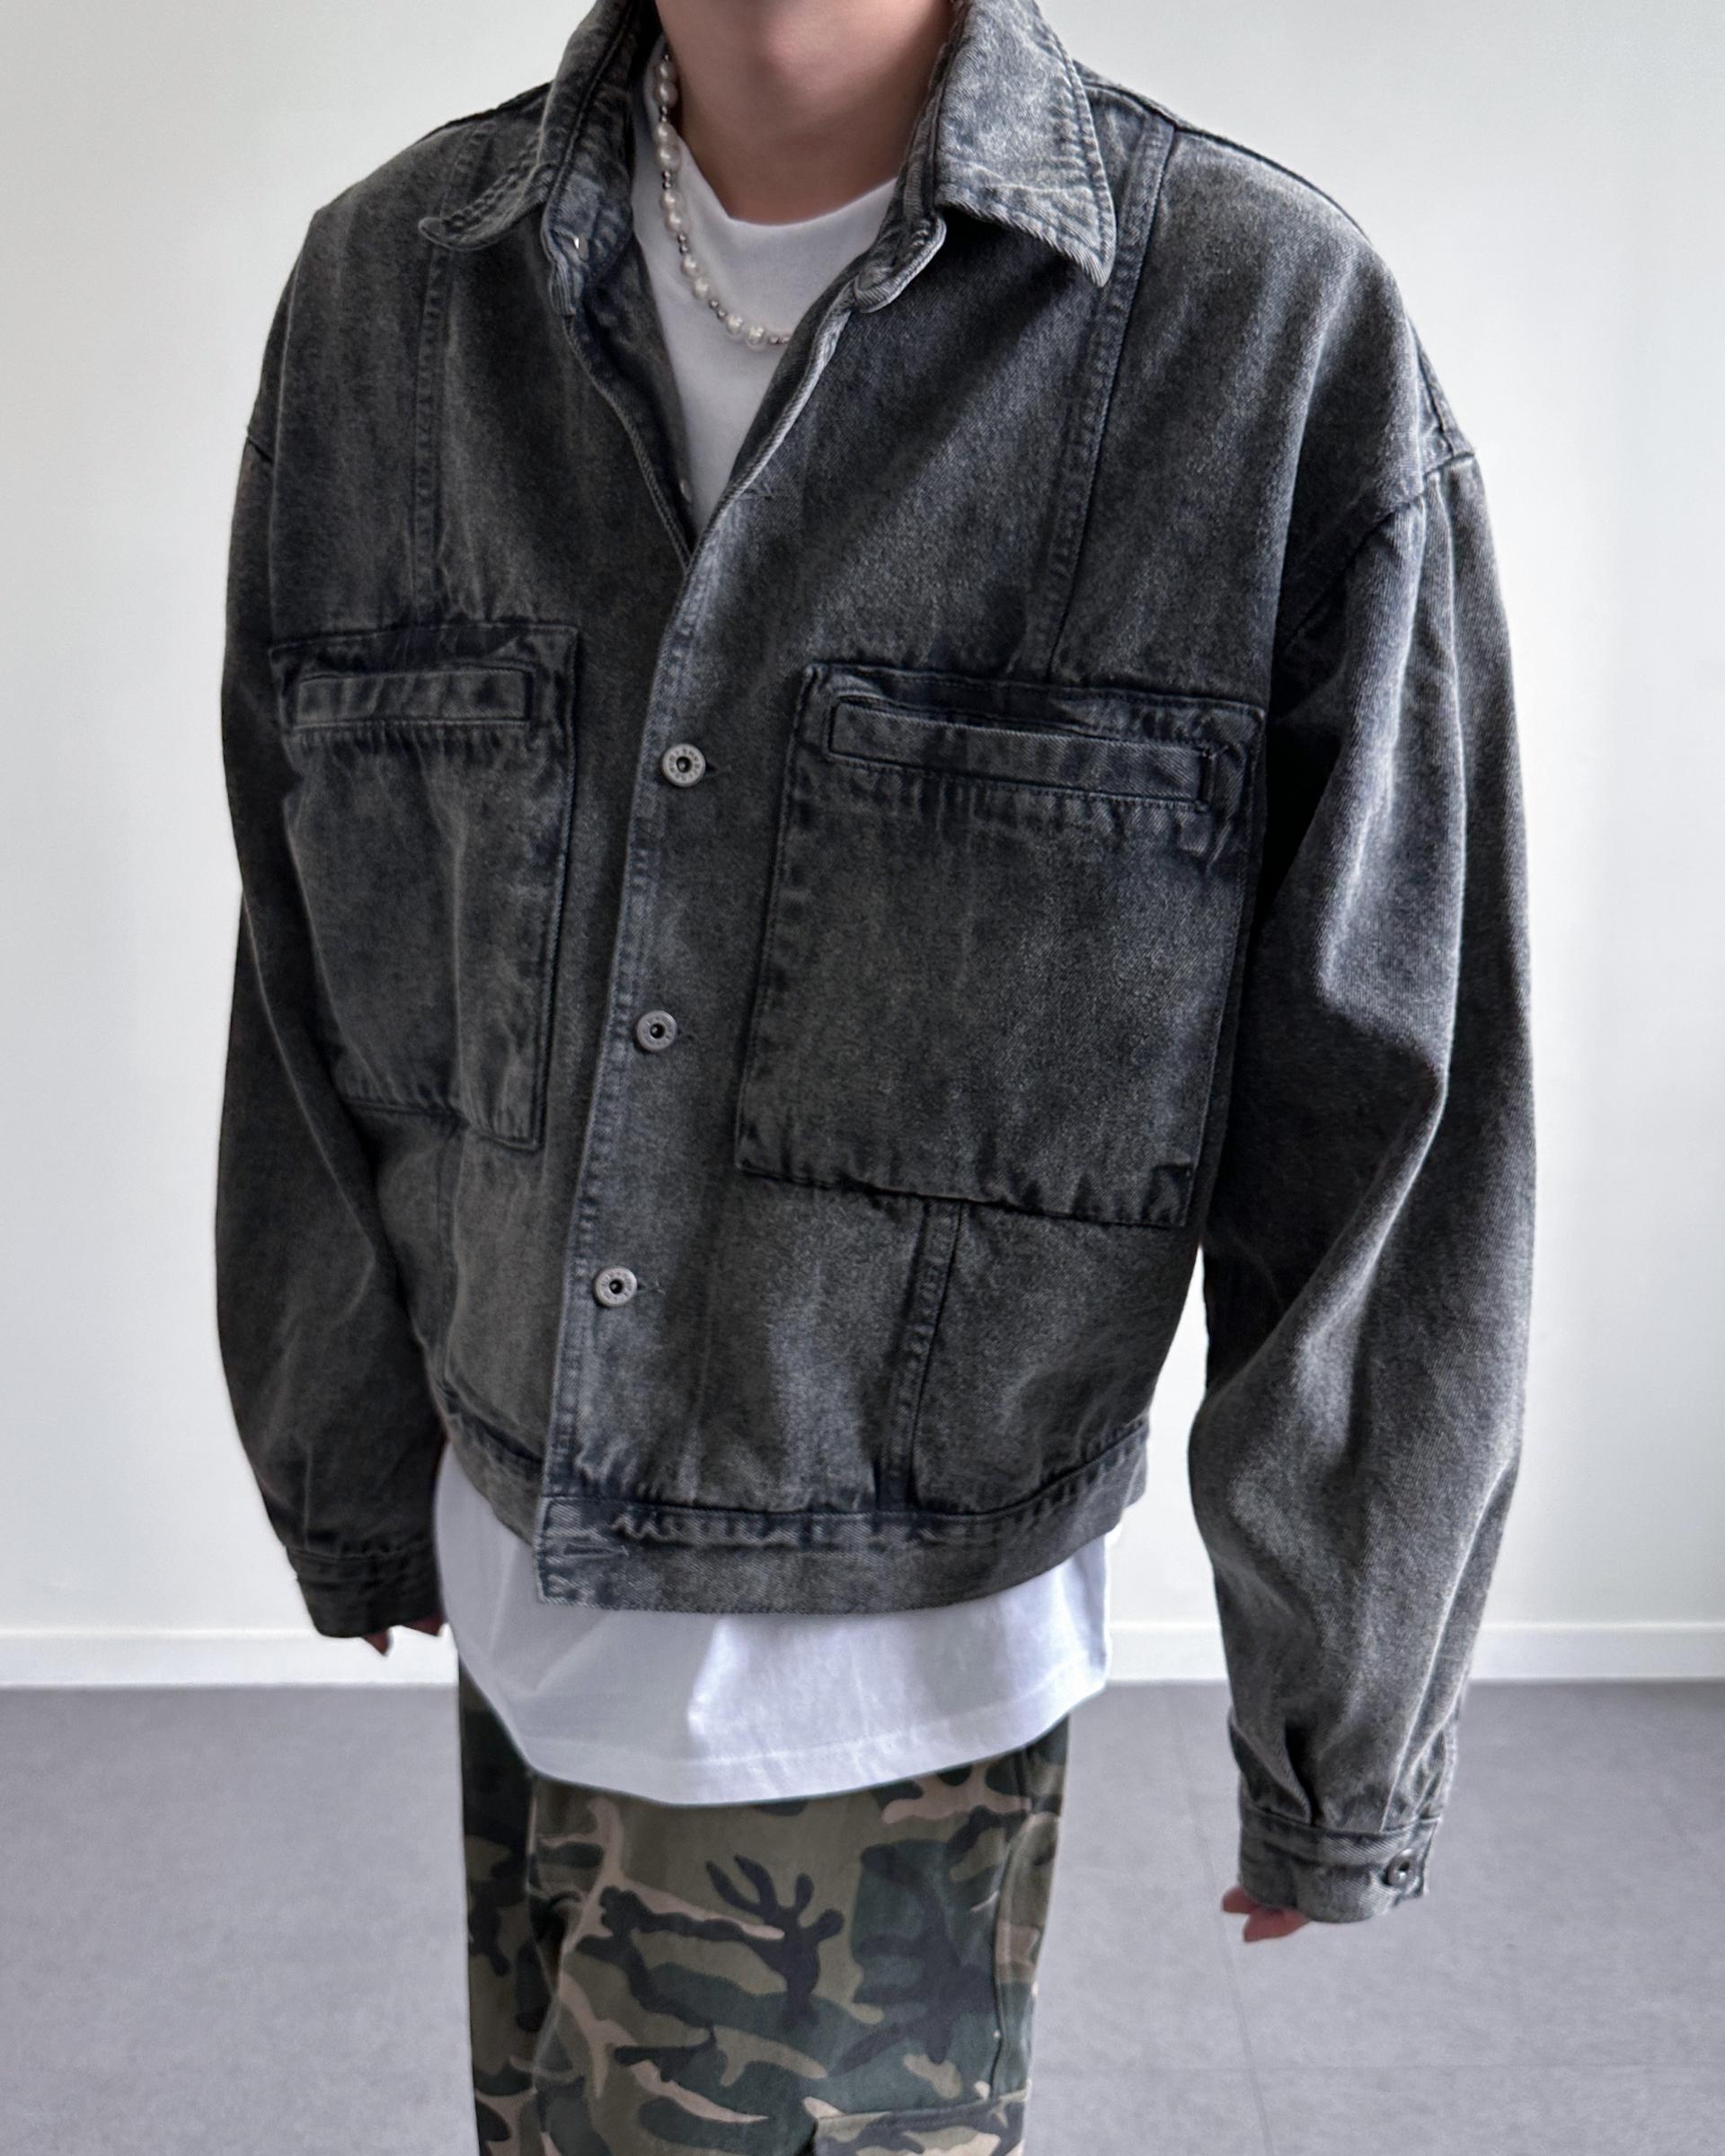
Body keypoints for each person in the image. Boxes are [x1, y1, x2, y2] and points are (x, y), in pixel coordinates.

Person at [213, 0, 1535, 2147]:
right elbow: (315, 942)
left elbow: (1389, 1093)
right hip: (517, 1570)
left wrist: (1342, 1708)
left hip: (883, 1660)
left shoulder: (1255, 327)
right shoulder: (398, 293)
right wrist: (345, 1447)